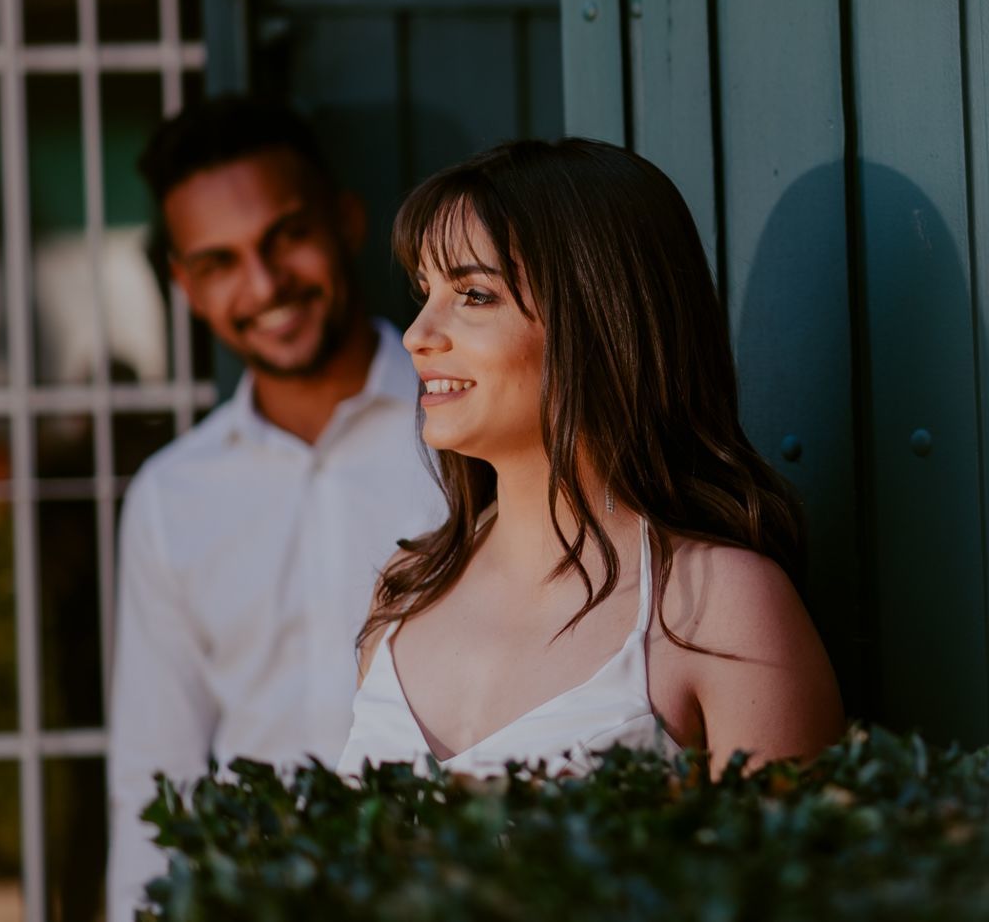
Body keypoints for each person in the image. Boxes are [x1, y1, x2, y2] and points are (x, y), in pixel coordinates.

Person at [338, 138, 842, 777]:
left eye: (474, 295)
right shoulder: (406, 587)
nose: (417, 335)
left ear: (598, 317)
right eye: (425, 292)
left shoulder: (719, 606)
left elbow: (801, 873)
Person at [107, 96, 443, 920]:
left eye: (285, 236)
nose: (264, 286)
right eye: (219, 263)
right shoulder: (167, 498)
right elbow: (158, 770)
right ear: (185, 286)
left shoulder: (465, 441)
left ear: (347, 221)